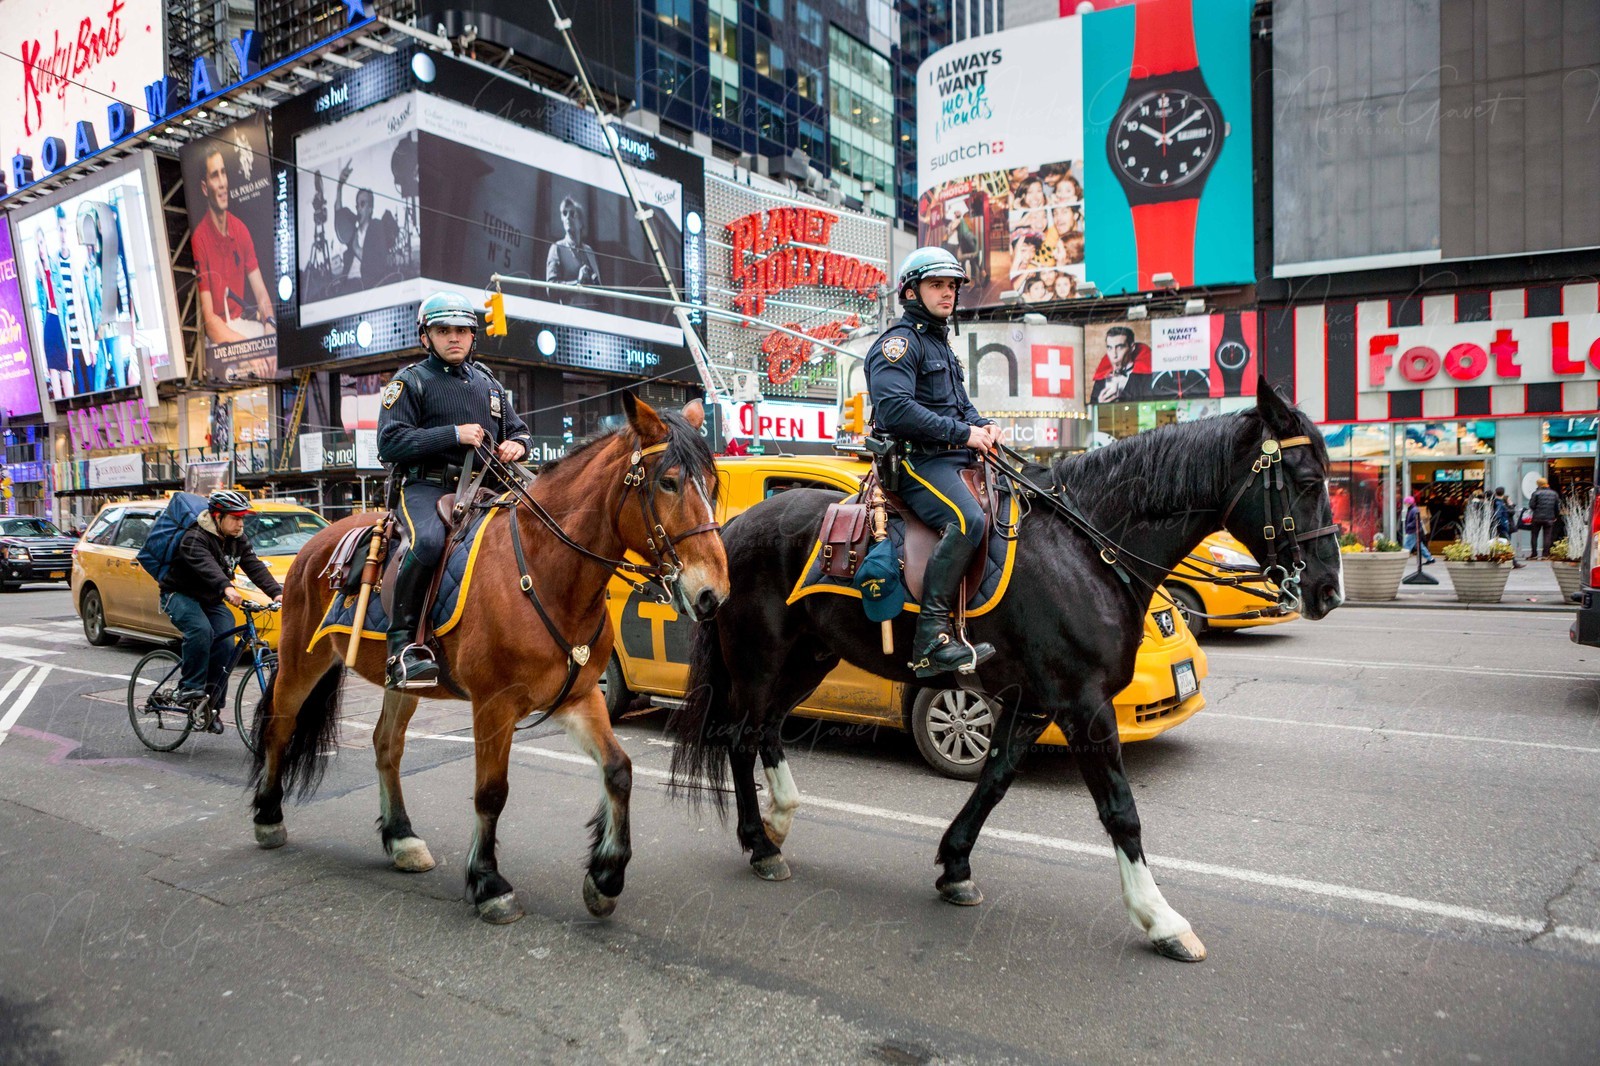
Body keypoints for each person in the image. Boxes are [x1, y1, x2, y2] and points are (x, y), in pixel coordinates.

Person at [377, 291, 533, 688]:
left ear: (473, 336)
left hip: (486, 487)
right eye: (443, 330)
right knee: (428, 542)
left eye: (462, 330)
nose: (454, 338)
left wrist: (519, 444)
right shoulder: (410, 381)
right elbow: (389, 442)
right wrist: (453, 434)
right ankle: (401, 648)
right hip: (427, 488)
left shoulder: (489, 384)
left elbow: (517, 429)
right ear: (425, 337)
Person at [864, 246, 999, 678]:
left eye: (952, 286)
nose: (947, 294)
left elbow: (959, 406)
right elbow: (895, 410)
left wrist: (984, 425)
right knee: (968, 520)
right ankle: (931, 637)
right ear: (910, 292)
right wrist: (964, 434)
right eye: (936, 285)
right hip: (914, 464)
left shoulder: (939, 344)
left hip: (950, 458)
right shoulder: (899, 345)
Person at [158, 489, 283, 731]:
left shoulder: (238, 539)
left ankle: (211, 707)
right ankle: (189, 687)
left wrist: (277, 593)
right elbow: (207, 567)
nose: (240, 524)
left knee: (226, 646)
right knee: (201, 631)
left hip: (211, 599)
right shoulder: (194, 537)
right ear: (217, 516)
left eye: (242, 518)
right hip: (180, 594)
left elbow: (254, 566)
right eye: (235, 518)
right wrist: (226, 587)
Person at [193, 146, 277, 344]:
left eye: (224, 173)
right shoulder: (200, 239)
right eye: (215, 176)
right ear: (205, 188)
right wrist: (248, 350)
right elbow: (210, 322)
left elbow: (261, 294)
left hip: (242, 328)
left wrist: (270, 324)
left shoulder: (240, 230)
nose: (222, 183)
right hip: (220, 336)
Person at [334, 161, 397, 290]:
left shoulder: (377, 227)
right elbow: (338, 213)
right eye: (357, 204)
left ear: (370, 209)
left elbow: (377, 263)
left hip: (364, 283)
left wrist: (356, 248)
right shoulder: (354, 230)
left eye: (362, 204)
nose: (358, 208)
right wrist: (340, 185)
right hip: (347, 282)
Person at [546, 197, 603, 308]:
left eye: (572, 213)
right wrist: (577, 282)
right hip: (569, 316)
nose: (567, 217)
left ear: (581, 223)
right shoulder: (557, 248)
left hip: (590, 316)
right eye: (564, 213)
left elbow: (600, 291)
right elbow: (550, 289)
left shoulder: (589, 251)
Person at [1089, 326, 1155, 404]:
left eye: (1119, 347)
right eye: (1110, 348)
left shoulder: (1145, 378)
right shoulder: (1100, 380)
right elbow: (1092, 409)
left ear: (1132, 347)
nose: (1114, 355)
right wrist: (1100, 404)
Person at [1528, 477, 1562, 559]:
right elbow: (1557, 507)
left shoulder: (1536, 493)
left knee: (1534, 535)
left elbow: (1531, 506)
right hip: (1549, 518)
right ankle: (1545, 554)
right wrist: (1556, 516)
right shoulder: (1554, 493)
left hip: (1537, 518)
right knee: (1547, 536)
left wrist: (1537, 509)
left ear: (1538, 484)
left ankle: (1534, 554)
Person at [1402, 495, 1434, 564]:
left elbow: (1416, 521)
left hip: (1413, 531)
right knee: (1420, 546)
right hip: (1414, 530)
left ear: (1409, 503)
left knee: (1407, 546)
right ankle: (1430, 558)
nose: (1405, 504)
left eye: (1406, 503)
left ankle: (1402, 560)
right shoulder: (1413, 509)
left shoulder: (1413, 510)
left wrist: (1408, 526)